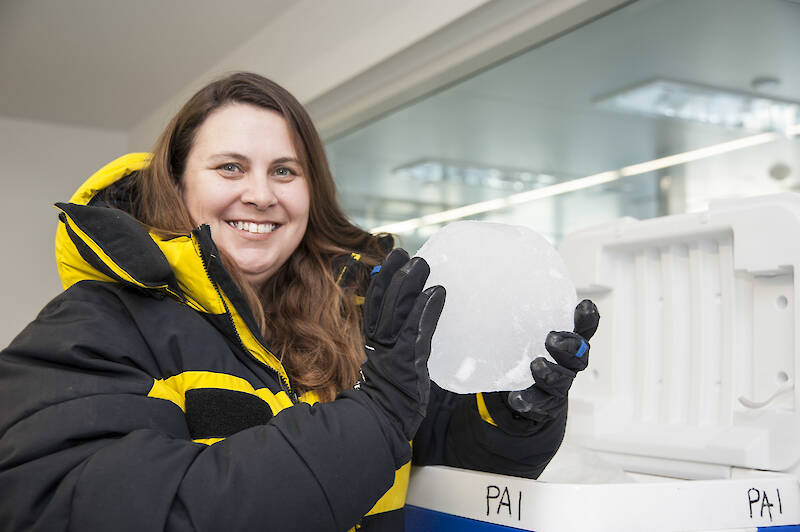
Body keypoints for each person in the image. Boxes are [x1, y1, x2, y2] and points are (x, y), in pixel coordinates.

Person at [0, 72, 599, 531]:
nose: (260, 194)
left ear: (312, 192)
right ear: (178, 183)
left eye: (285, 171)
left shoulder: (355, 324)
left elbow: (442, 468)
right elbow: (103, 510)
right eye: (230, 167)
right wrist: (375, 416)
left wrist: (513, 416)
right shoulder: (94, 326)